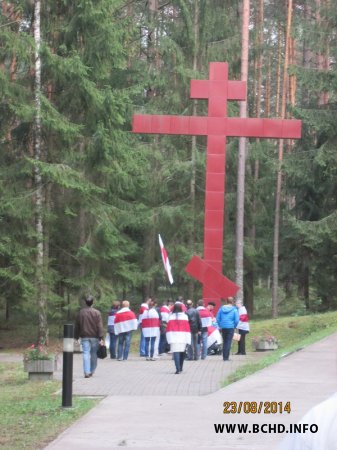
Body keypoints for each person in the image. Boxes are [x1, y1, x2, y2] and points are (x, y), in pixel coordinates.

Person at [74, 294, 104, 378]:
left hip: (84, 336)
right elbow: (100, 326)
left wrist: (76, 337)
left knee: (86, 353)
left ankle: (86, 372)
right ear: (93, 302)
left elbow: (77, 326)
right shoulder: (97, 312)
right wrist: (101, 337)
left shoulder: (81, 312)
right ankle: (92, 370)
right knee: (94, 353)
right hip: (95, 337)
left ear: (85, 302)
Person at [166, 302, 191, 374]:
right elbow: (187, 328)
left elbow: (168, 329)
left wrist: (168, 338)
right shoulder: (185, 317)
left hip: (174, 337)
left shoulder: (170, 317)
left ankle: (177, 369)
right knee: (182, 352)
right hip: (183, 337)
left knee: (176, 352)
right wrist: (188, 338)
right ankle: (181, 367)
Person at [216, 297, 239, 361]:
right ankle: (226, 357)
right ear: (232, 302)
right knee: (228, 342)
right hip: (230, 327)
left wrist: (220, 325)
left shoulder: (221, 309)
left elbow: (217, 319)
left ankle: (224, 357)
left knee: (224, 341)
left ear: (226, 301)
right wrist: (234, 326)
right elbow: (237, 320)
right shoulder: (234, 309)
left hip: (223, 327)